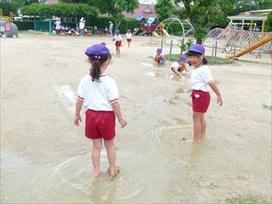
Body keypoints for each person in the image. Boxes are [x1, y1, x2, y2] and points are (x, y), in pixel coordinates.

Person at [74, 43, 127, 178]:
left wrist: (76, 115)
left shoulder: (85, 80)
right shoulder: (110, 82)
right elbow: (114, 103)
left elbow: (79, 100)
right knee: (110, 146)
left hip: (91, 116)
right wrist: (121, 118)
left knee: (96, 147)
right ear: (108, 61)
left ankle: (97, 172)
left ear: (88, 61)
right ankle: (112, 169)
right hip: (106, 117)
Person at [185, 44, 223, 143]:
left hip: (201, 96)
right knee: (200, 117)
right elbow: (198, 83)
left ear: (201, 57)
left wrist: (218, 95)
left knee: (196, 118)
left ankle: (195, 139)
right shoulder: (198, 68)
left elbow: (211, 83)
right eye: (190, 57)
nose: (192, 59)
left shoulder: (203, 69)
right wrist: (193, 92)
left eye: (194, 57)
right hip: (198, 94)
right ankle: (202, 136)